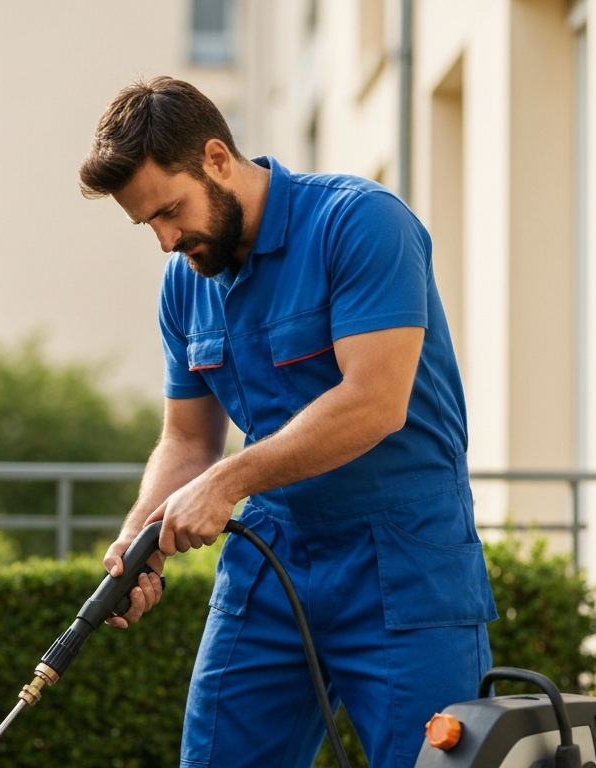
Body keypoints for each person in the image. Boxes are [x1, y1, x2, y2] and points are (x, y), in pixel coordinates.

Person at [81, 76, 496, 768]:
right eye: (147, 222)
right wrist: (141, 531)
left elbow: (375, 401)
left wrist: (227, 483)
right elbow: (188, 438)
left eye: (170, 211)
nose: (164, 239)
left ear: (218, 158)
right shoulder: (187, 283)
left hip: (405, 560)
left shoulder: (360, 224)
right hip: (271, 560)